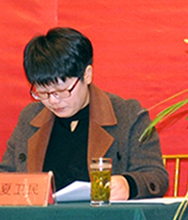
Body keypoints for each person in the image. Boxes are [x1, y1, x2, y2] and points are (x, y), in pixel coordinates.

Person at [2, 27, 169, 200]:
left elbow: (155, 176)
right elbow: (6, 175)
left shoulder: (127, 115)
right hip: (42, 217)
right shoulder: (30, 117)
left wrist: (129, 185)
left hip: (102, 216)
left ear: (87, 75)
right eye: (43, 93)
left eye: (62, 91)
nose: (53, 101)